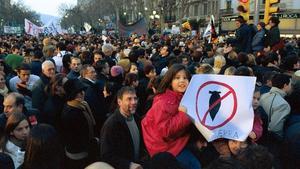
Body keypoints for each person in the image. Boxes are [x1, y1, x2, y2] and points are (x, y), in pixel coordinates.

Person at [142, 64, 201, 169]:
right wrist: (184, 115)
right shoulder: (164, 101)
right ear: (170, 81)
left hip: (176, 141)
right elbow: (166, 131)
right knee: (195, 166)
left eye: (185, 78)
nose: (182, 81)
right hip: (164, 147)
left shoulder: (181, 97)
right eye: (177, 78)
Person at [100, 86, 146, 169]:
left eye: (135, 98)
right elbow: (106, 155)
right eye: (129, 99)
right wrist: (129, 165)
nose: (134, 102)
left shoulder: (136, 118)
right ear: (119, 102)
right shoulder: (111, 124)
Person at [61, 79, 96, 169]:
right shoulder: (71, 113)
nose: (83, 93)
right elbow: (76, 138)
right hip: (78, 155)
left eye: (82, 91)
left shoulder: (81, 105)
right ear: (72, 94)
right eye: (79, 92)